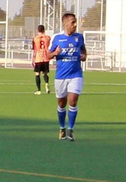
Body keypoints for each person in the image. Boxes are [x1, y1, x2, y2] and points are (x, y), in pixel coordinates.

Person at [50, 12, 87, 141]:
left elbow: (83, 49)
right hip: (61, 76)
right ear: (65, 24)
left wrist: (84, 56)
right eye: (73, 22)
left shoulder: (79, 37)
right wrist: (55, 52)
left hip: (76, 74)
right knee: (61, 103)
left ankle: (70, 129)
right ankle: (62, 128)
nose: (75, 25)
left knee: (73, 100)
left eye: (75, 22)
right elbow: (48, 55)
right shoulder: (57, 38)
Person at [31, 24, 53, 94]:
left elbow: (34, 50)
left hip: (38, 58)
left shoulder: (35, 38)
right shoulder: (48, 38)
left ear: (38, 30)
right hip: (46, 58)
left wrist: (33, 59)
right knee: (45, 73)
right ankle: (46, 84)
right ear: (44, 30)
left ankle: (39, 90)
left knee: (37, 74)